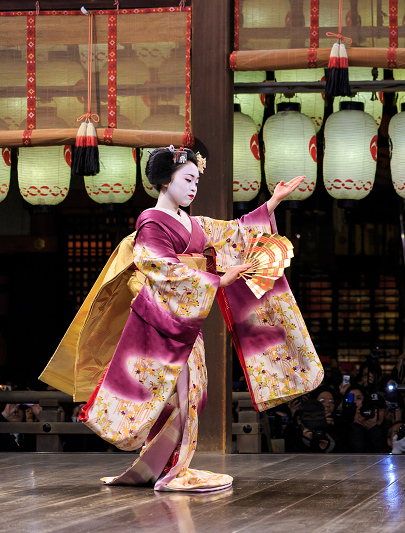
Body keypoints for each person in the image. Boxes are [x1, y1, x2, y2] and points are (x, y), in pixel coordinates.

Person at [40, 146, 323, 491]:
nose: (193, 188)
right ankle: (169, 470)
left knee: (193, 394)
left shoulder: (193, 222)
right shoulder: (151, 221)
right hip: (160, 321)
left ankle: (162, 467)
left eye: (197, 181)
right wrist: (219, 279)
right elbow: (160, 267)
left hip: (187, 322)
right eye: (187, 179)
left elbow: (234, 231)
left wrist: (273, 203)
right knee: (175, 395)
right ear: (164, 181)